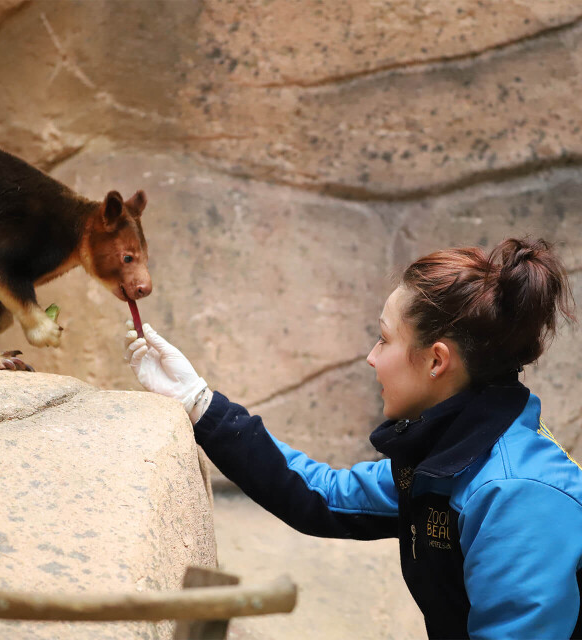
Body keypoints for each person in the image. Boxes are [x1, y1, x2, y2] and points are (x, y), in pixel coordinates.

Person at [124, 237, 582, 640]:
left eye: (384, 340)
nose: (371, 357)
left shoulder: (516, 496)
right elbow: (322, 496)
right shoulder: (453, 453)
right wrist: (199, 402)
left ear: (436, 362)